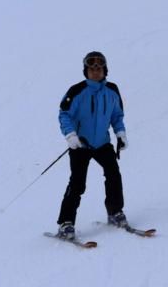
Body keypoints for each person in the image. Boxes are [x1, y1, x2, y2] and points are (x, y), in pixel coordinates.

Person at [55, 51, 129, 241]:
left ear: (105, 70)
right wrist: (70, 135)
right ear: (85, 71)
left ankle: (115, 212)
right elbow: (64, 114)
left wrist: (120, 133)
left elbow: (116, 116)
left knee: (113, 174)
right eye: (91, 69)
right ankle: (66, 223)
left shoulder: (112, 90)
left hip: (102, 143)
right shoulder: (77, 91)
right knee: (78, 183)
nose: (95, 72)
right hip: (81, 144)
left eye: (99, 68)